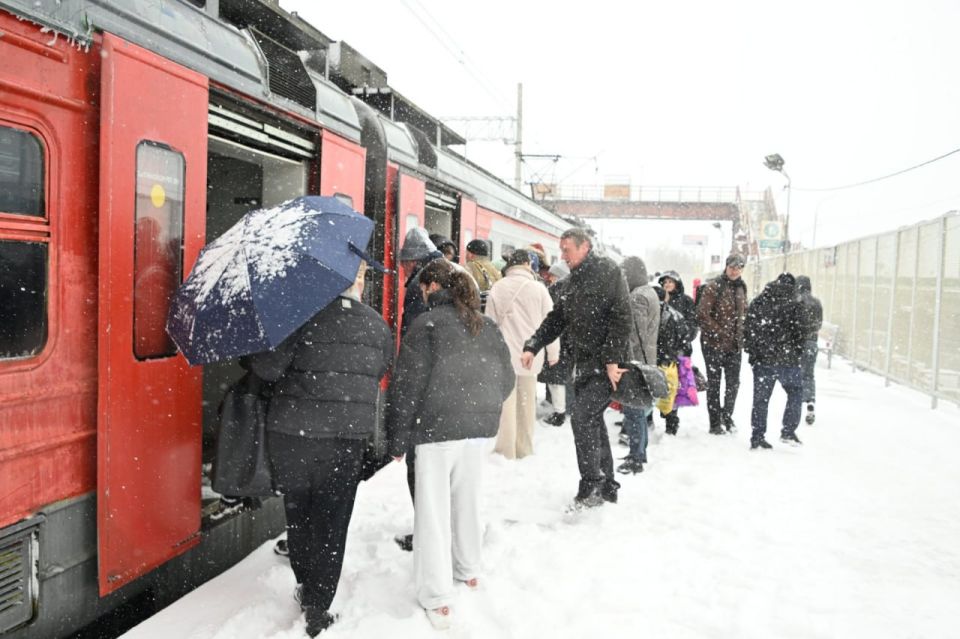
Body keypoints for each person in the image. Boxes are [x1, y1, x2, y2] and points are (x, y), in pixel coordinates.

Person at [246, 261, 393, 637]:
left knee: (299, 511)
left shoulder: (299, 319)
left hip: (294, 436)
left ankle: (304, 579)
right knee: (333, 519)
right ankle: (318, 603)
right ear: (355, 284)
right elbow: (379, 369)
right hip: (346, 440)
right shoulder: (376, 324)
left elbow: (267, 369)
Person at [386, 259, 514, 630]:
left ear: (430, 287)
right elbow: (505, 380)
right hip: (478, 432)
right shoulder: (485, 324)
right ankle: (469, 569)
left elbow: (406, 389)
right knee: (468, 504)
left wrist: (397, 440)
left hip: (437, 432)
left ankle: (438, 597)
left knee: (433, 513)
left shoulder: (425, 325)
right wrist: (480, 406)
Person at [520, 227, 632, 508]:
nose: (563, 256)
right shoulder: (574, 281)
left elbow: (621, 317)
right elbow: (556, 318)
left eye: (567, 250)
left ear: (585, 247)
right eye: (562, 250)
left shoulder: (607, 272)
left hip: (605, 365)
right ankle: (607, 484)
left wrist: (611, 361)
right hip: (584, 364)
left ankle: (592, 484)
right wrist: (533, 344)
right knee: (592, 420)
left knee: (582, 418)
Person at [485, 249, 558, 459]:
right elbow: (550, 323)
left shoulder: (498, 287)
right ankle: (524, 448)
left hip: (504, 354)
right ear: (527, 264)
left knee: (507, 403)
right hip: (530, 354)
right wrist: (553, 353)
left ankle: (505, 449)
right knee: (527, 402)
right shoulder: (539, 289)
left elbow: (490, 324)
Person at [744, 273, 807, 449]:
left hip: (763, 360)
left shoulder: (759, 301)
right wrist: (796, 351)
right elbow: (801, 332)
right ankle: (788, 431)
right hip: (788, 360)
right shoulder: (795, 303)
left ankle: (757, 436)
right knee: (795, 392)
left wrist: (753, 353)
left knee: (761, 400)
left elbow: (748, 328)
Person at [697, 254, 748, 435]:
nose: (735, 270)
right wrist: (719, 332)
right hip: (713, 344)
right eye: (732, 267)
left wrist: (742, 334)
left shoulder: (742, 287)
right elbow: (702, 314)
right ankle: (714, 422)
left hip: (734, 345)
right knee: (715, 383)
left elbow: (744, 313)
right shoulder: (714, 287)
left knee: (733, 383)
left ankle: (727, 416)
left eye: (739, 267)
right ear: (726, 267)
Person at [617, 256, 659, 474]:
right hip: (645, 358)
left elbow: (634, 335)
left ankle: (636, 457)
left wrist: (630, 362)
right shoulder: (649, 292)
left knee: (634, 411)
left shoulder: (637, 298)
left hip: (636, 361)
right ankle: (638, 452)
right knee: (639, 410)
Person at [657, 270, 699, 435]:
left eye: (670, 281)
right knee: (659, 385)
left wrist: (682, 337)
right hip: (660, 351)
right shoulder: (657, 300)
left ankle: (671, 422)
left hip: (679, 352)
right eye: (665, 282)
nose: (667, 284)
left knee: (675, 387)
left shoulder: (686, 301)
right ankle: (656, 417)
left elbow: (693, 326)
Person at [539, 260, 571, 426]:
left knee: (556, 379)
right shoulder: (569, 289)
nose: (549, 277)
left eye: (552, 275)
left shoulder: (557, 290)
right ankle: (560, 409)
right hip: (564, 340)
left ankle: (560, 413)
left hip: (558, 340)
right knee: (557, 377)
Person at [796, 275, 823, 425]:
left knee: (796, 373)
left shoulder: (796, 302)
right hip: (812, 343)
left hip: (798, 344)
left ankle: (796, 403)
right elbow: (818, 324)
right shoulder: (816, 303)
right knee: (809, 375)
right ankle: (810, 401)